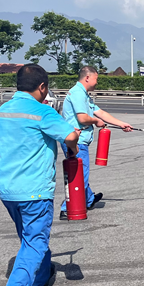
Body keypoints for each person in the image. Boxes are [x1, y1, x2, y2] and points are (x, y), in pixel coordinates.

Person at [0, 64, 80, 286]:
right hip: (34, 190)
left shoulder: (4, 110)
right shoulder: (42, 111)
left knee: (29, 237)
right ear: (42, 87)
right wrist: (72, 149)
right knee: (35, 240)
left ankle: (42, 276)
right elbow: (71, 135)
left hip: (8, 189)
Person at [59, 65, 133, 218]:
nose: (97, 82)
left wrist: (120, 124)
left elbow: (100, 112)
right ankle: (67, 208)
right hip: (76, 141)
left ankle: (89, 199)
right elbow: (83, 118)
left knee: (80, 172)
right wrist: (95, 121)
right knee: (79, 174)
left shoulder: (84, 95)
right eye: (96, 79)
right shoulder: (78, 94)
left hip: (79, 140)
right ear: (87, 78)